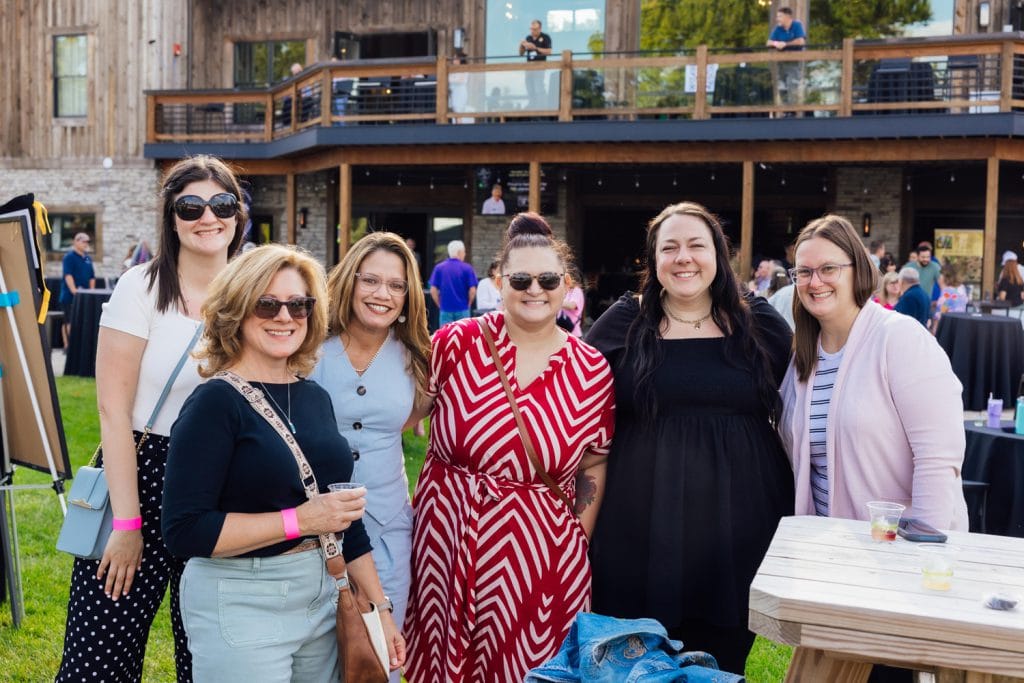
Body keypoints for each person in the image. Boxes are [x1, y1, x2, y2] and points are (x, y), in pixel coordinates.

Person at [162, 244, 405, 681]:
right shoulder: (215, 403)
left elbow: (344, 518)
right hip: (241, 599)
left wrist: (380, 609)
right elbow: (184, 530)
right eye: (267, 304)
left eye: (299, 305)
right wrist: (299, 520)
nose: (285, 316)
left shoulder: (314, 397)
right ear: (236, 310)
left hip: (323, 593)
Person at [56, 155, 246, 683]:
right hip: (141, 469)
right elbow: (113, 411)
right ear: (172, 217)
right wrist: (127, 523)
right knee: (101, 659)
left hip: (221, 484)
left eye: (222, 203)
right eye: (191, 206)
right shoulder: (140, 286)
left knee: (209, 657)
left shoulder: (253, 293)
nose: (208, 217)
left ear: (237, 214)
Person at [403, 212, 615, 682]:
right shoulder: (455, 343)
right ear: (499, 281)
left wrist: (578, 537)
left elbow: (595, 458)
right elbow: (395, 417)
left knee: (528, 667)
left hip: (540, 552)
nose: (534, 288)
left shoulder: (591, 369)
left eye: (547, 278)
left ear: (567, 285)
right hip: (448, 539)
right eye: (520, 278)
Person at [586, 201, 794, 675]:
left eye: (696, 245)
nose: (684, 257)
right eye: (670, 247)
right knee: (638, 655)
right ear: (653, 260)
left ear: (718, 255)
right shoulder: (625, 321)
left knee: (723, 656)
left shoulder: (756, 322)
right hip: (641, 522)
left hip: (738, 520)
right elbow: (569, 391)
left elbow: (814, 386)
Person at [780, 214, 968, 533]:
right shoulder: (803, 356)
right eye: (803, 272)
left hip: (894, 552)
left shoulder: (899, 338)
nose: (815, 282)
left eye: (828, 269)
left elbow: (937, 457)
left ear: (858, 270)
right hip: (824, 550)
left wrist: (920, 546)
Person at [307, 232, 431, 680]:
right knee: (316, 656)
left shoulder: (418, 359)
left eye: (396, 286)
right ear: (349, 282)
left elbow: (410, 417)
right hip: (309, 526)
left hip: (386, 525)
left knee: (381, 654)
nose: (383, 295)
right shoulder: (307, 348)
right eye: (371, 281)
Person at [59, 231, 96, 348]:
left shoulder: (88, 258)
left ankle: (78, 346)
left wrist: (91, 291)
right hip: (70, 296)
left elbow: (92, 276)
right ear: (76, 242)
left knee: (81, 321)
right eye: (83, 241)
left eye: (87, 242)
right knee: (69, 321)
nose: (86, 244)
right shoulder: (69, 257)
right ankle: (67, 346)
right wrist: (74, 290)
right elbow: (68, 275)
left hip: (85, 296)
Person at [428, 239, 478, 325]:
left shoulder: (439, 268)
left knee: (446, 336)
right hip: (463, 309)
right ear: (459, 252)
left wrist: (439, 304)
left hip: (445, 309)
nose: (465, 254)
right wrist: (468, 304)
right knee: (464, 336)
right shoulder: (467, 268)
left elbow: (433, 290)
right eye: (464, 252)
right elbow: (472, 290)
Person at [766, 7, 806, 113]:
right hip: (781, 62)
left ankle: (792, 112)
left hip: (794, 62)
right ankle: (785, 112)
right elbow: (768, 42)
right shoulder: (778, 28)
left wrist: (785, 44)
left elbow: (801, 41)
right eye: (777, 16)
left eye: (780, 16)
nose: (777, 19)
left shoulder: (797, 25)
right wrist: (776, 43)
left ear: (787, 17)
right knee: (781, 86)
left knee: (793, 85)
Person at [519, 19, 552, 109]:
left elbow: (549, 52)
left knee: (539, 87)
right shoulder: (528, 38)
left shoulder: (545, 37)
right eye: (531, 29)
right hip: (529, 67)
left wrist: (536, 48)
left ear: (540, 29)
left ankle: (542, 107)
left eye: (535, 29)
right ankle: (532, 105)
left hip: (539, 66)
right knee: (529, 87)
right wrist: (521, 45)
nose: (532, 31)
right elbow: (521, 53)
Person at [560, 268, 586, 337]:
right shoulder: (565, 291)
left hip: (573, 333)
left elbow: (572, 305)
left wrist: (554, 301)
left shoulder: (576, 290)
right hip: (563, 333)